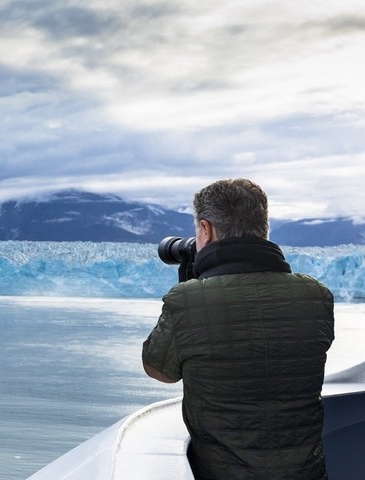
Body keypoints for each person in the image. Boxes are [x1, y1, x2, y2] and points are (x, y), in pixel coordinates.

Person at [142, 178, 335, 479]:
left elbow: (159, 370)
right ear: (264, 228)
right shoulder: (316, 295)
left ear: (206, 230)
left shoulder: (188, 301)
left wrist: (189, 286)